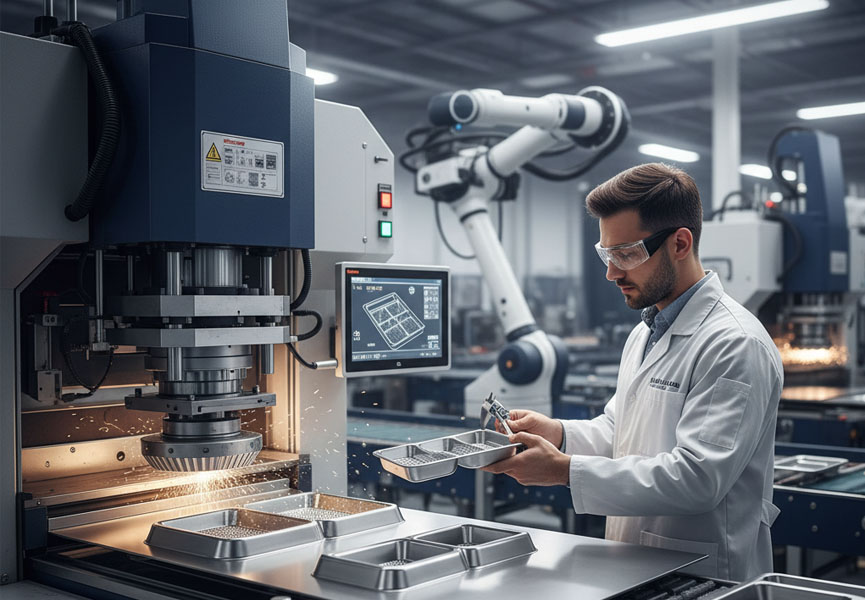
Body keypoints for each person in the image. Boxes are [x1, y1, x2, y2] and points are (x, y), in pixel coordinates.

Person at [483, 163, 782, 581]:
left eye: (627, 254)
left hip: (706, 575)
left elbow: (698, 478)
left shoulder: (734, 343)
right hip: (635, 564)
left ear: (680, 243)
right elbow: (620, 430)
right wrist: (558, 434)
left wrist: (563, 470)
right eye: (607, 254)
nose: (612, 272)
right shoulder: (646, 332)